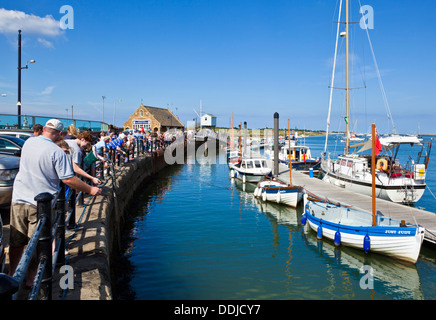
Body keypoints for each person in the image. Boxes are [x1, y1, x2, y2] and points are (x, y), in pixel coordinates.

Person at [8, 119, 102, 287]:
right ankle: (30, 279)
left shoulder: (28, 143)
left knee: (16, 241)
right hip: (39, 204)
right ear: (60, 134)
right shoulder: (56, 152)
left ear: (44, 129)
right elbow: (68, 179)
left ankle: (11, 274)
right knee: (36, 243)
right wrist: (91, 190)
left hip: (18, 198)